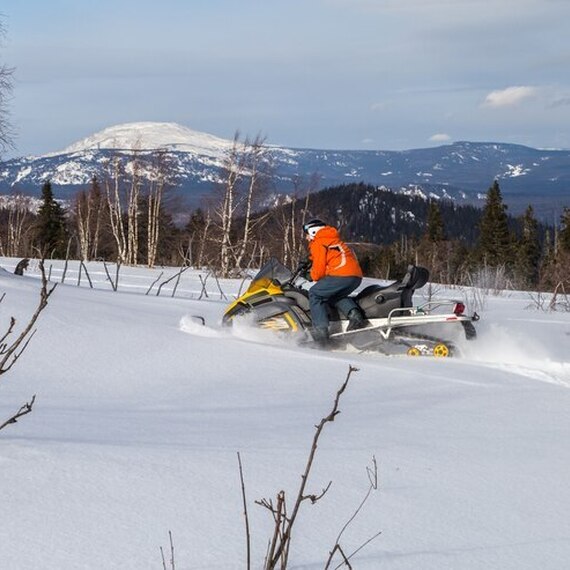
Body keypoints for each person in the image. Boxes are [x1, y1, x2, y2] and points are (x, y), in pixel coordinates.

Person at [301, 219, 368, 347]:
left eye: (307, 234)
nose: (307, 237)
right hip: (355, 276)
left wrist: (309, 275)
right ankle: (355, 315)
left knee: (315, 294)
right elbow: (331, 257)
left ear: (314, 231)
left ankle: (321, 333)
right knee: (334, 295)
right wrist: (309, 259)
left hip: (341, 275)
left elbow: (319, 270)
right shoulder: (332, 239)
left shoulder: (318, 242)